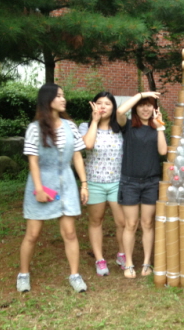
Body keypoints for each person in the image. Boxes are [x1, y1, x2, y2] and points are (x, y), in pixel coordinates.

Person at [17, 83, 89, 293]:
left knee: (70, 233)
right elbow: (33, 161)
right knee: (33, 234)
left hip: (66, 183)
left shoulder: (70, 126)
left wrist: (84, 184)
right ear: (47, 100)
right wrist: (39, 188)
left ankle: (75, 275)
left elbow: (77, 156)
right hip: (41, 183)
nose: (63, 99)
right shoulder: (35, 128)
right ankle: (23, 274)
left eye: (63, 95)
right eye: (59, 96)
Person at [116, 91, 166, 278]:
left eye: (149, 105)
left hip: (151, 182)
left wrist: (160, 127)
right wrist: (142, 94)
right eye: (142, 105)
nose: (145, 109)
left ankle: (146, 262)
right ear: (136, 108)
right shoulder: (128, 126)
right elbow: (119, 111)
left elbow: (163, 151)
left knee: (147, 223)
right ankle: (129, 263)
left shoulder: (156, 128)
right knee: (131, 224)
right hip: (130, 181)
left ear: (154, 108)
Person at [78, 92, 126, 277]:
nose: (103, 106)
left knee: (122, 222)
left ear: (113, 108)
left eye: (107, 103)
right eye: (99, 103)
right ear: (93, 105)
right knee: (96, 221)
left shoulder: (120, 127)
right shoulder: (85, 126)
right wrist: (95, 121)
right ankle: (99, 259)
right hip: (94, 182)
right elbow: (88, 145)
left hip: (117, 182)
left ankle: (122, 254)